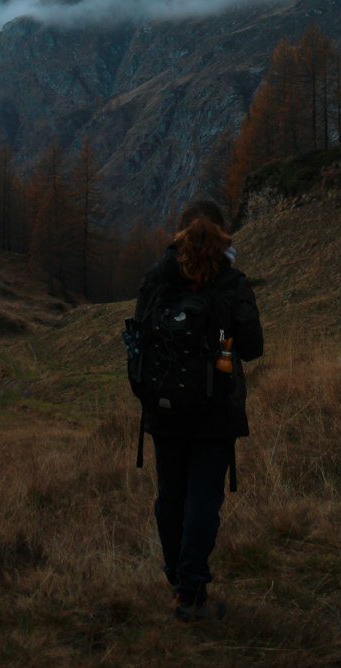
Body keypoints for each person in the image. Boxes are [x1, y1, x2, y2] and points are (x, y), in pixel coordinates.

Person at [131, 198, 264, 622]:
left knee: (170, 495)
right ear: (224, 236)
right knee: (203, 498)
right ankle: (191, 591)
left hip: (164, 409)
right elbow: (254, 347)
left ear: (179, 234)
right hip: (215, 412)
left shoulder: (157, 278)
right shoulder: (232, 282)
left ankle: (177, 581)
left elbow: (140, 340)